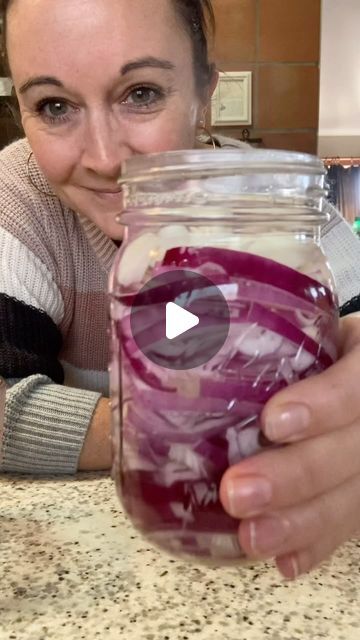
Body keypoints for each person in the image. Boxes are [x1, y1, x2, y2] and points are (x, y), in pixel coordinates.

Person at [1, 0, 360, 581]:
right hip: (117, 565)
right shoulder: (14, 204)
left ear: (205, 90)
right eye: (55, 105)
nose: (105, 159)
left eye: (141, 93)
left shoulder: (282, 210)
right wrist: (172, 432)